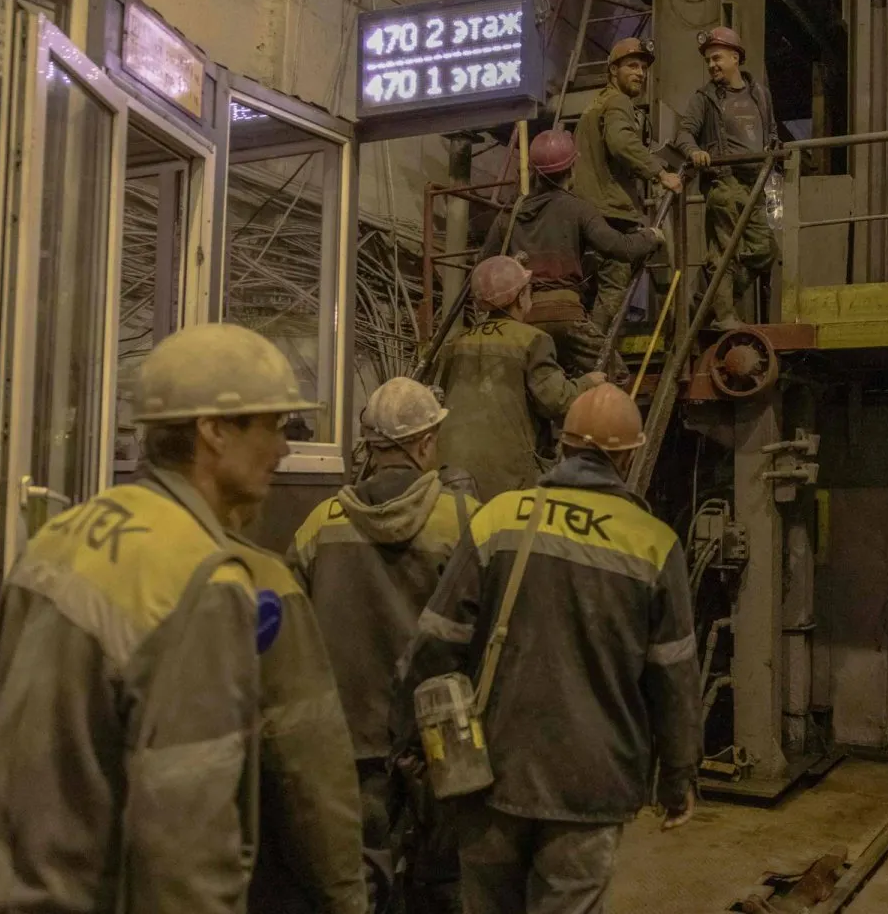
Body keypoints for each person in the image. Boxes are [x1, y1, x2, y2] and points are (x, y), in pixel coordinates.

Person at [0, 323, 314, 912]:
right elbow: (184, 839)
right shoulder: (202, 580)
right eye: (273, 425)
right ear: (215, 432)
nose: (283, 448)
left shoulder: (69, 532)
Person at [398, 384, 701, 914]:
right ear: (629, 457)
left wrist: (420, 741)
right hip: (592, 785)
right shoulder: (653, 543)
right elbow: (673, 676)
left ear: (561, 445)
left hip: (489, 773)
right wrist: (677, 777)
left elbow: (436, 641)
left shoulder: (498, 517)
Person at [288, 376, 480, 912]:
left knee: (360, 875)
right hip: (439, 737)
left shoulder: (319, 526)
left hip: (350, 734)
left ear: (371, 447)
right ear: (422, 445)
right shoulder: (465, 519)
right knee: (442, 880)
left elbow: (286, 633)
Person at [237, 531, 368, 914]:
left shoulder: (77, 550)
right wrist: (346, 897)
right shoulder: (258, 578)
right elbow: (310, 776)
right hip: (230, 880)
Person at [482, 130, 661, 382]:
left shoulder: (510, 214)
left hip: (522, 320)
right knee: (615, 375)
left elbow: (484, 265)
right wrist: (651, 237)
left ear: (533, 171)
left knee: (534, 383)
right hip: (566, 317)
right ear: (571, 170)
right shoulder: (578, 208)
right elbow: (621, 248)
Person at [436, 255, 606, 502]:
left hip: (450, 471)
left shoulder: (457, 342)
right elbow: (557, 401)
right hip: (504, 477)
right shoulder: (534, 340)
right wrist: (589, 382)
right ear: (519, 297)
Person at [573, 37, 683, 336]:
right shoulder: (617, 101)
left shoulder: (594, 105)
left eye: (644, 67)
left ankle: (587, 356)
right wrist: (660, 173)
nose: (641, 73)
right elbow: (621, 143)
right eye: (632, 66)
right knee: (613, 289)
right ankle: (593, 353)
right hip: (612, 213)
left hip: (587, 210)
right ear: (613, 71)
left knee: (590, 293)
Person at [673, 26, 779, 330]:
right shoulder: (704, 98)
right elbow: (684, 133)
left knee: (764, 250)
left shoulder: (759, 94)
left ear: (736, 58)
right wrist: (694, 152)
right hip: (725, 183)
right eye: (708, 61)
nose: (712, 65)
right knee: (724, 254)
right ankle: (724, 315)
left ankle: (709, 301)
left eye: (717, 58)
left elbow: (771, 133)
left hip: (755, 185)